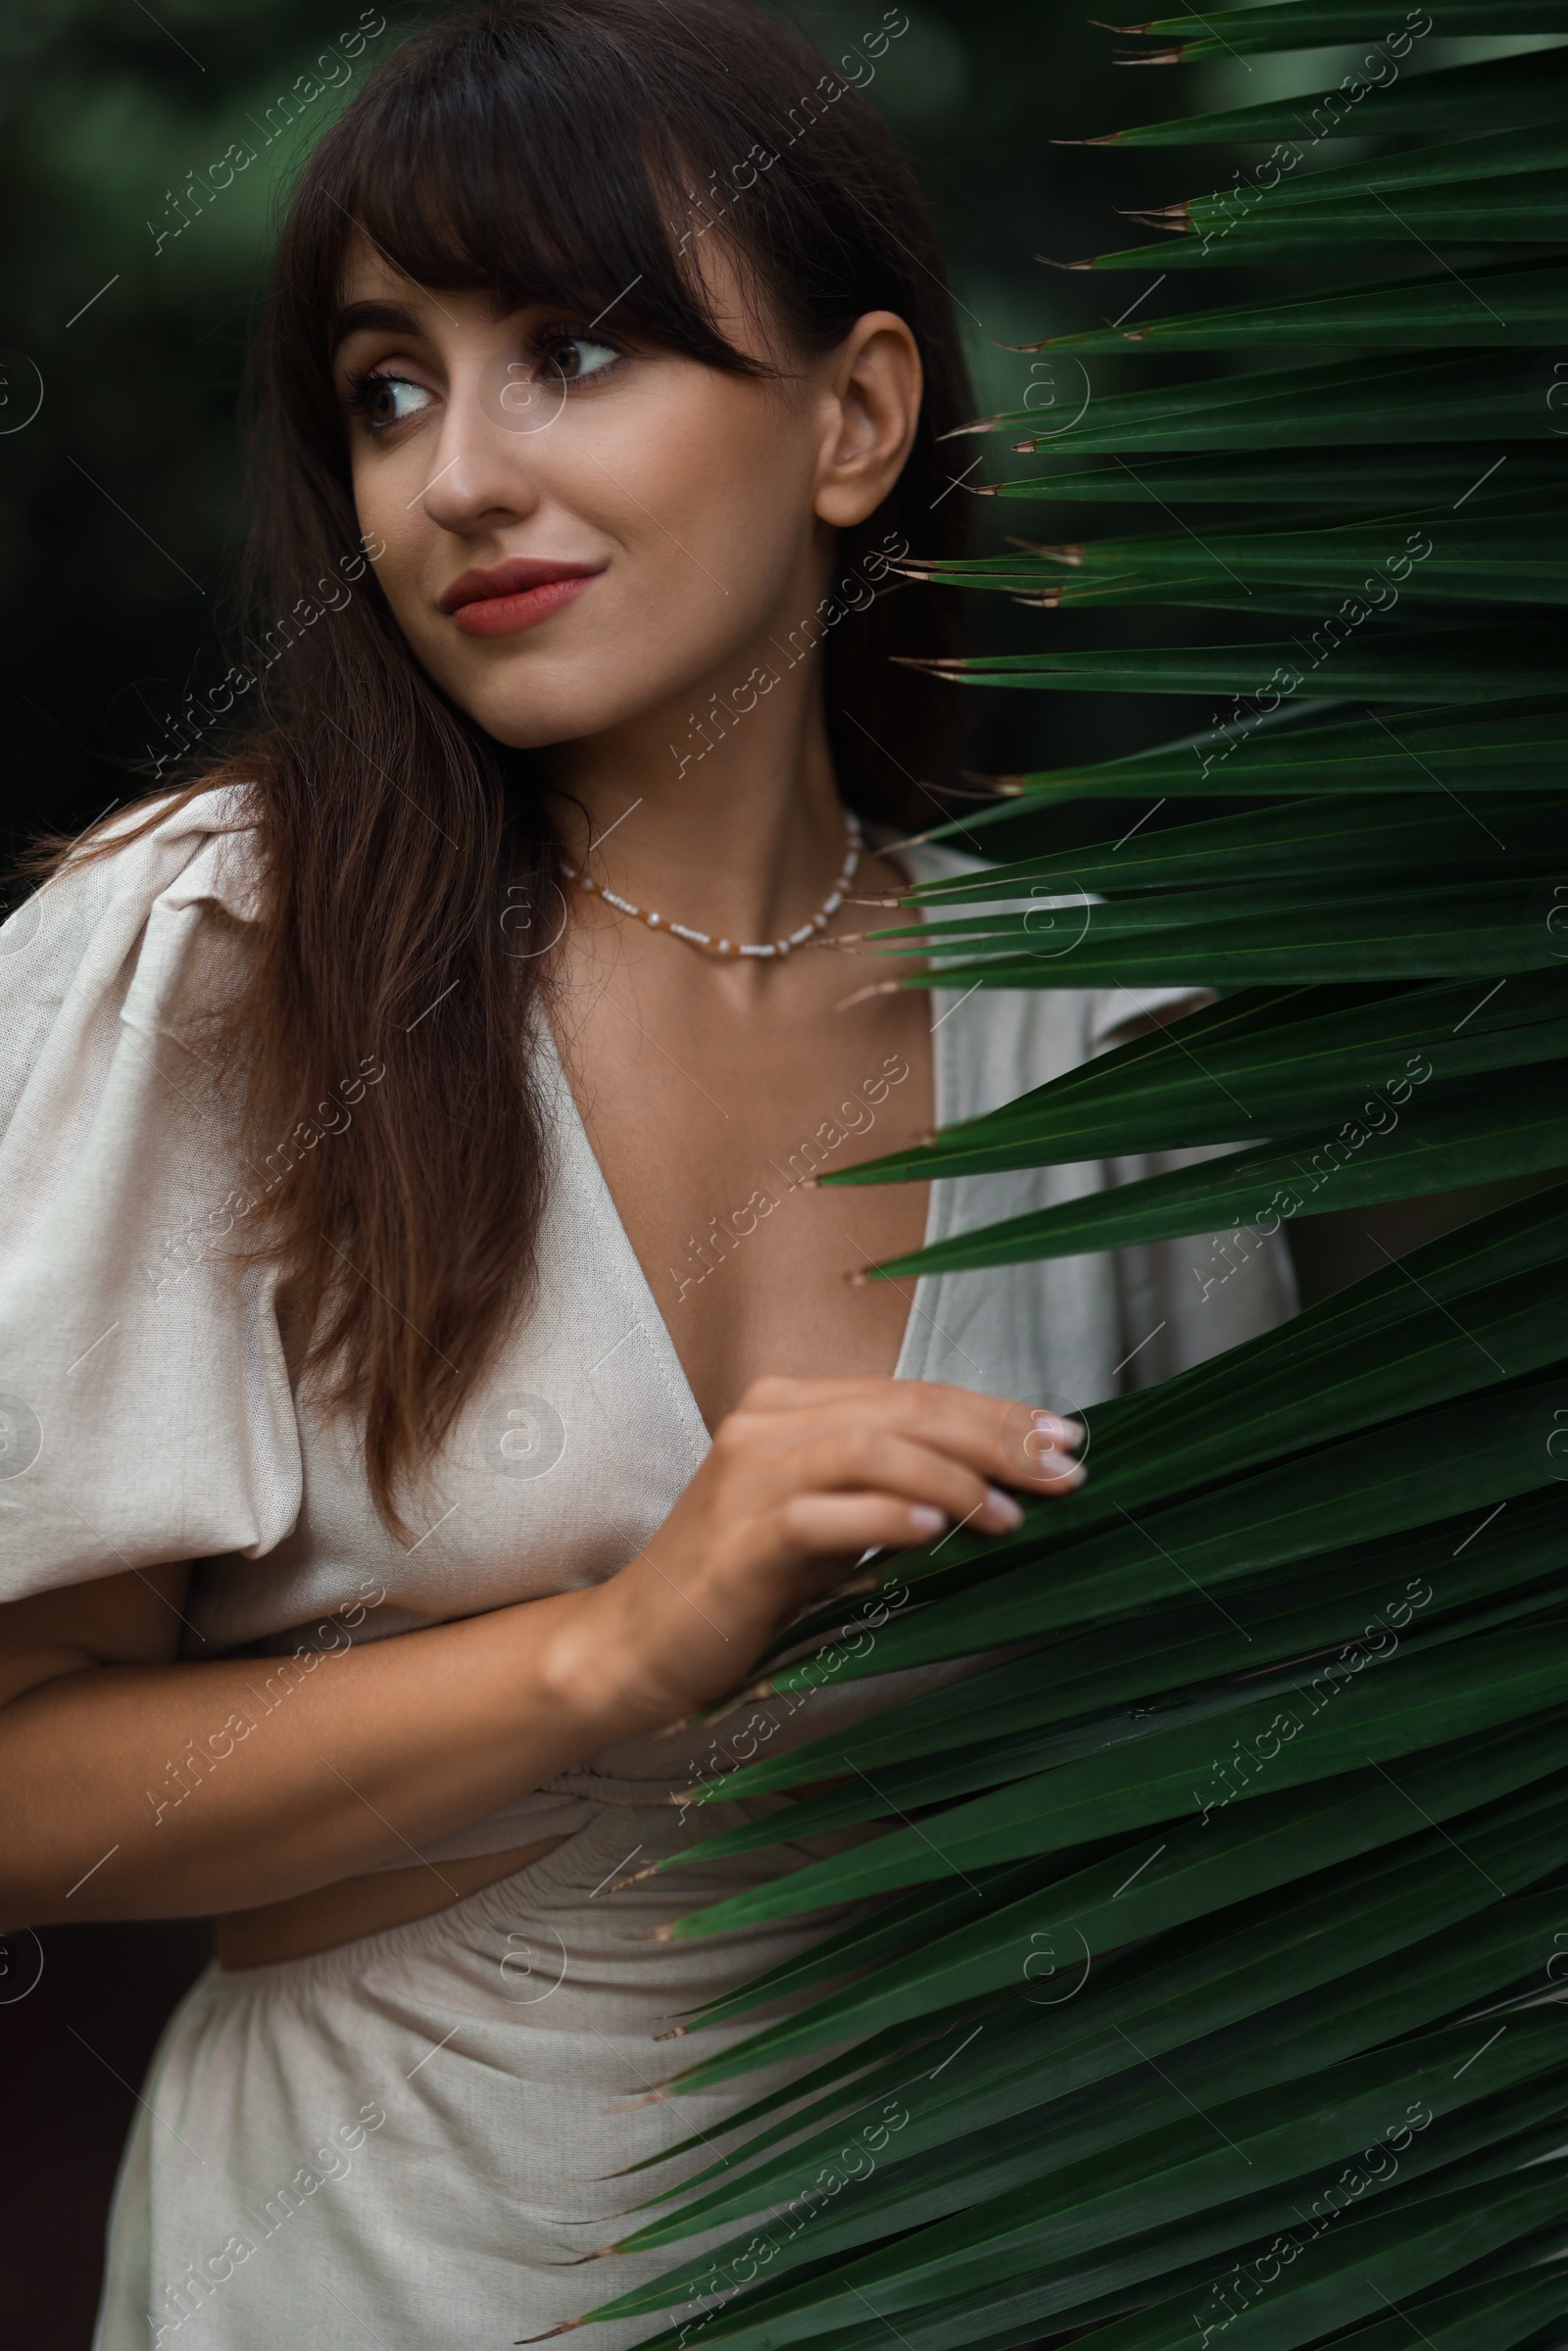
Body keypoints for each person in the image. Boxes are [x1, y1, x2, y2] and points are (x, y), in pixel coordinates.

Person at [0, 4, 1294, 2343]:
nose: (458, 475)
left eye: (569, 353)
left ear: (856, 416)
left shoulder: (1110, 1040)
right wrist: (610, 1648)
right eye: (387, 389)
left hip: (1008, 2255)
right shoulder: (212, 959)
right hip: (376, 2266)